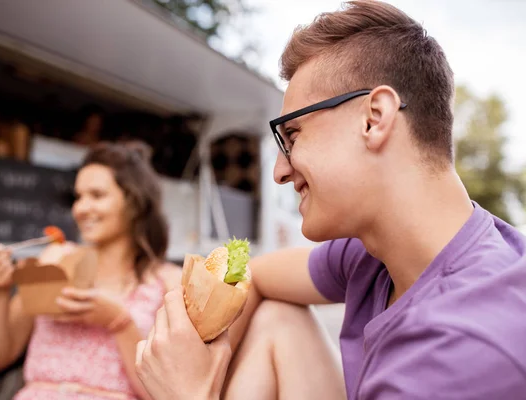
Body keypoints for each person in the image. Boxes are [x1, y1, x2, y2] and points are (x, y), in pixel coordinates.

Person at [134, 1, 526, 399]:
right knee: (279, 318)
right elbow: (258, 277)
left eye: (293, 136)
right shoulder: (372, 257)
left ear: (374, 118)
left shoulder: (467, 348)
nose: (279, 172)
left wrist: (187, 392)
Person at [0, 141, 181, 400]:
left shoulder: (167, 282)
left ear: (135, 202)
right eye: (78, 197)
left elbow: (169, 394)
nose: (80, 209)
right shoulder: (56, 259)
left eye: (97, 195)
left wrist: (118, 321)